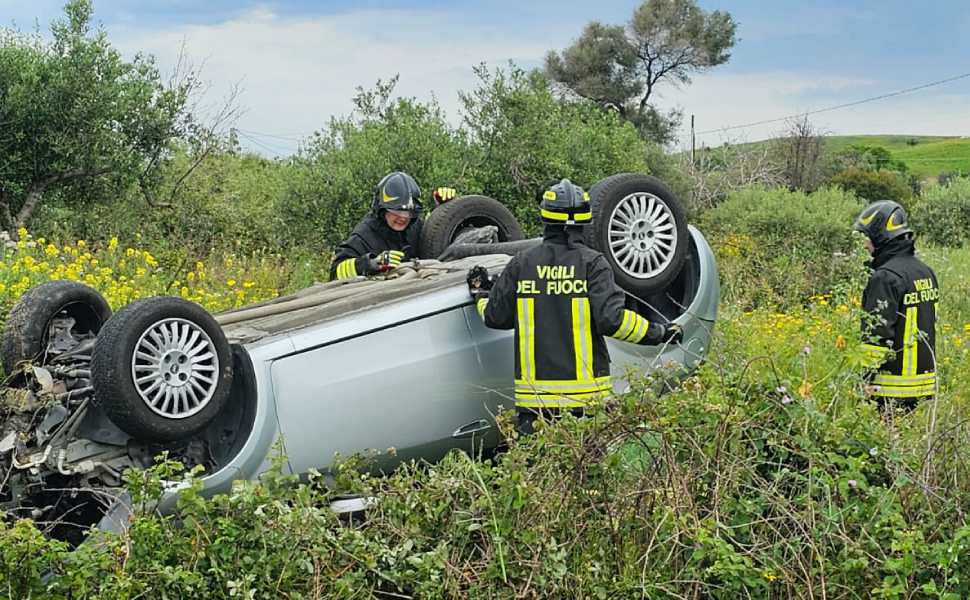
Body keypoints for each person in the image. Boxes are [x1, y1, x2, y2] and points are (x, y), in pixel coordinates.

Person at [467, 178, 681, 435]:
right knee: (588, 462)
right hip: (587, 404)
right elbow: (612, 321)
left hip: (536, 406)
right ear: (585, 221)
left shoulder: (522, 264)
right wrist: (660, 332)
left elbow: (495, 317)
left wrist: (481, 294)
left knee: (541, 462)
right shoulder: (593, 264)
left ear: (545, 219)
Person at [854, 199, 938, 411]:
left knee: (888, 433)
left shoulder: (885, 277)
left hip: (889, 389)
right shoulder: (925, 272)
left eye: (869, 238)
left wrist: (861, 380)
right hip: (923, 386)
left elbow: (876, 335)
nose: (865, 245)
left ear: (881, 237)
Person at [330, 171, 456, 280]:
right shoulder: (364, 236)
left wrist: (445, 209)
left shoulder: (415, 225)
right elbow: (336, 272)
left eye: (410, 212)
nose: (403, 217)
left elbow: (438, 243)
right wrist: (372, 263)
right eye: (397, 211)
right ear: (381, 210)